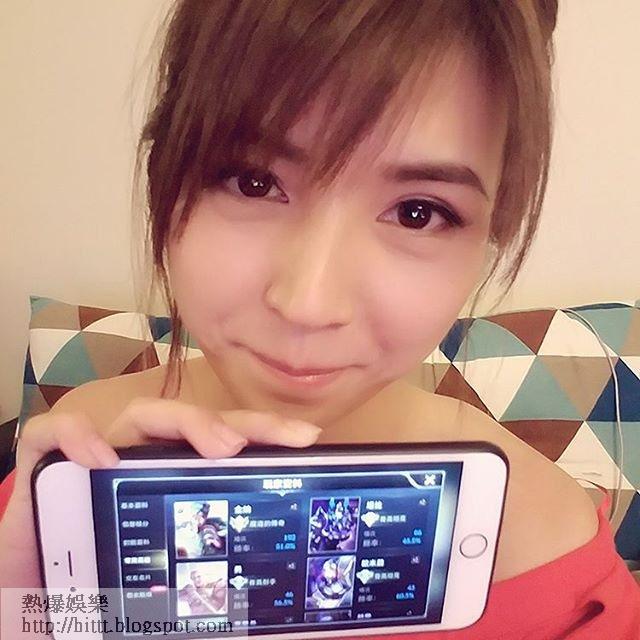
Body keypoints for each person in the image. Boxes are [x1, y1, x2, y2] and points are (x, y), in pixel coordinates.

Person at [0, 1, 638, 637]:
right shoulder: (74, 462)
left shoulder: (556, 557)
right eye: (251, 181)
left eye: (417, 212)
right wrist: (23, 608)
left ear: (489, 235)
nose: (308, 304)